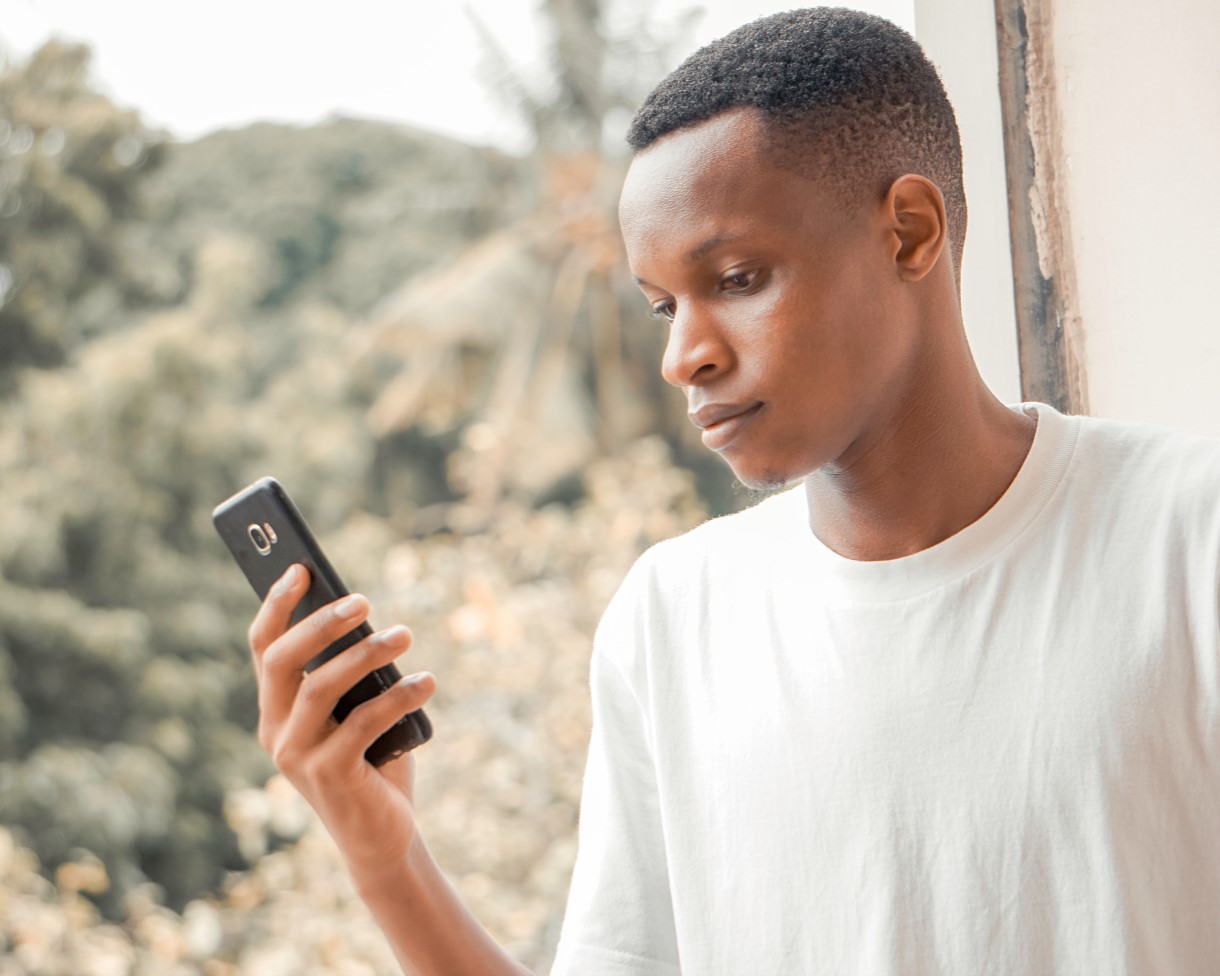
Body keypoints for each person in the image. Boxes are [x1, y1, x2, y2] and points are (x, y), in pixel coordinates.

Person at [245, 8, 1220, 975]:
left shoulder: (1185, 536)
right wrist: (383, 855)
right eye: (664, 304)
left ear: (908, 232)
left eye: (738, 277)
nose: (683, 355)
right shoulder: (669, 621)